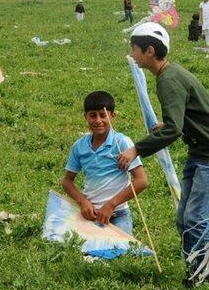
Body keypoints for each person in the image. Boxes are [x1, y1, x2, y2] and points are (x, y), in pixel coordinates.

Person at [117, 22, 209, 286]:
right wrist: (172, 125)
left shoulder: (168, 80)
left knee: (195, 218)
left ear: (149, 51)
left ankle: (206, 278)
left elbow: (173, 129)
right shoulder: (169, 74)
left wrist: (136, 148)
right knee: (184, 217)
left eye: (134, 49)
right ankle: (196, 271)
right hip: (202, 150)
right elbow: (182, 120)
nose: (131, 54)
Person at [61, 91, 148, 234]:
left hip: (118, 214)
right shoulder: (79, 146)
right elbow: (67, 181)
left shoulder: (121, 143)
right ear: (85, 117)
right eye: (92, 115)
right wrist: (83, 202)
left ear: (112, 116)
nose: (98, 120)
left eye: (103, 115)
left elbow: (142, 180)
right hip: (90, 213)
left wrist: (111, 205)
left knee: (117, 250)